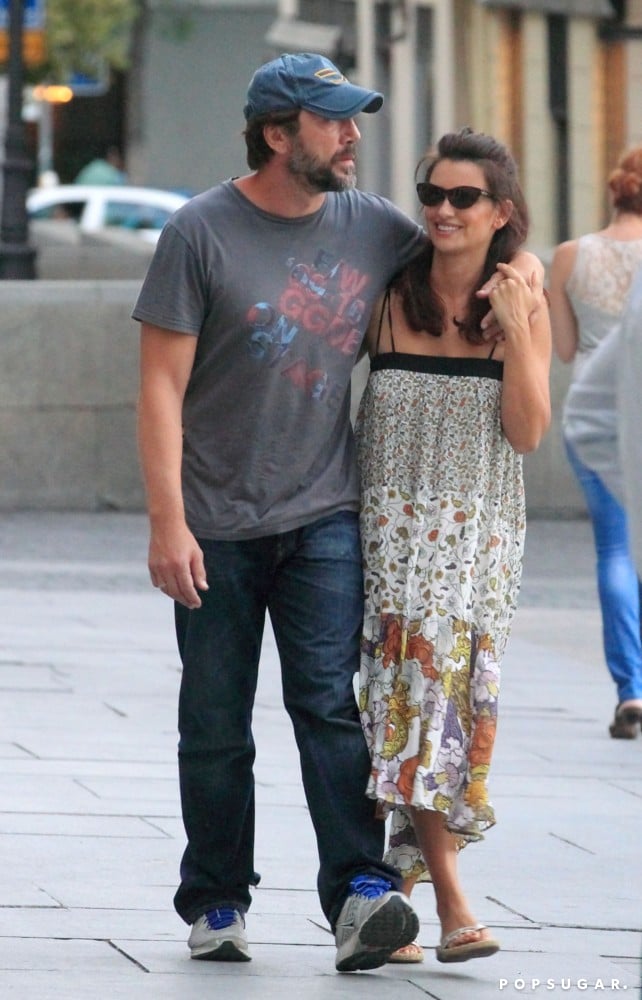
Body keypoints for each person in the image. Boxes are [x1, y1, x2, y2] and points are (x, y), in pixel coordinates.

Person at [133, 53, 543, 972]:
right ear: (280, 134)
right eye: (333, 121)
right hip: (215, 517)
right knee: (213, 719)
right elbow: (160, 385)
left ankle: (360, 894)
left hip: (326, 512)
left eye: (354, 118)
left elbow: (472, 239)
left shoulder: (374, 227)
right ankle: (217, 900)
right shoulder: (199, 232)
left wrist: (528, 287)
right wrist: (168, 522)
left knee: (329, 705)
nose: (354, 135)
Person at [355, 127, 551, 965]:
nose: (442, 209)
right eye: (432, 194)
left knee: (440, 711)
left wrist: (515, 324)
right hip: (390, 537)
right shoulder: (388, 293)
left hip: (475, 542)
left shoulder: (519, 302)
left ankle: (402, 892)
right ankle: (452, 906)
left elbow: (527, 432)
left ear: (501, 212)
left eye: (463, 197)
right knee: (405, 707)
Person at [548, 145, 642, 739]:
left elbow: (562, 348)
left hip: (593, 410)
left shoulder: (569, 256)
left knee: (614, 550)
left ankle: (632, 689)